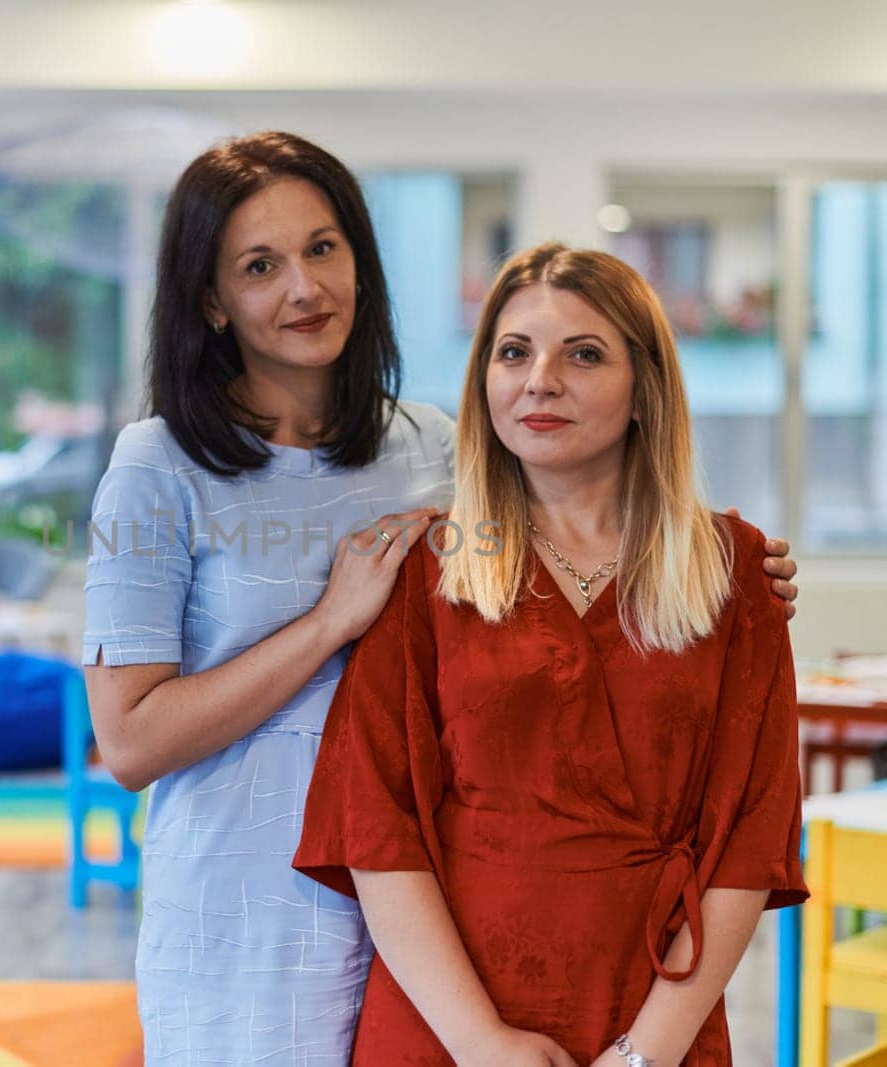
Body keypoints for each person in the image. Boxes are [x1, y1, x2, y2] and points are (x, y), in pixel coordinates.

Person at [82, 134, 799, 1063]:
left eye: (323, 248)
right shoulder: (156, 463)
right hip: (252, 910)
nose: (304, 286)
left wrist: (730, 565)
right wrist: (331, 623)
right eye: (260, 265)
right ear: (211, 300)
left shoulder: (425, 446)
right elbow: (130, 741)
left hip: (435, 927)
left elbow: (575, 496)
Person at [293, 242, 807, 1066]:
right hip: (447, 1018)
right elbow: (374, 827)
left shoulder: (736, 571)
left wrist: (645, 1051)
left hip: (654, 1011)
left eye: (585, 353)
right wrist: (482, 1042)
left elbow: (751, 837)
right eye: (513, 352)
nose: (540, 379)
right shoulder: (427, 567)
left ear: (647, 388)